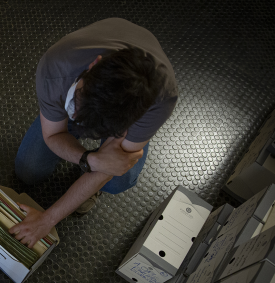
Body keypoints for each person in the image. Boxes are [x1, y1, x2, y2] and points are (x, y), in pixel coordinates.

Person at [11, 18, 178, 248]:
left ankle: (91, 184)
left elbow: (114, 165)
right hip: (78, 94)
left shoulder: (159, 100)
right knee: (28, 170)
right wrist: (89, 159)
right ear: (93, 65)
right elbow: (52, 135)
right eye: (77, 106)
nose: (78, 118)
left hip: (121, 116)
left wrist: (47, 220)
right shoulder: (56, 68)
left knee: (119, 179)